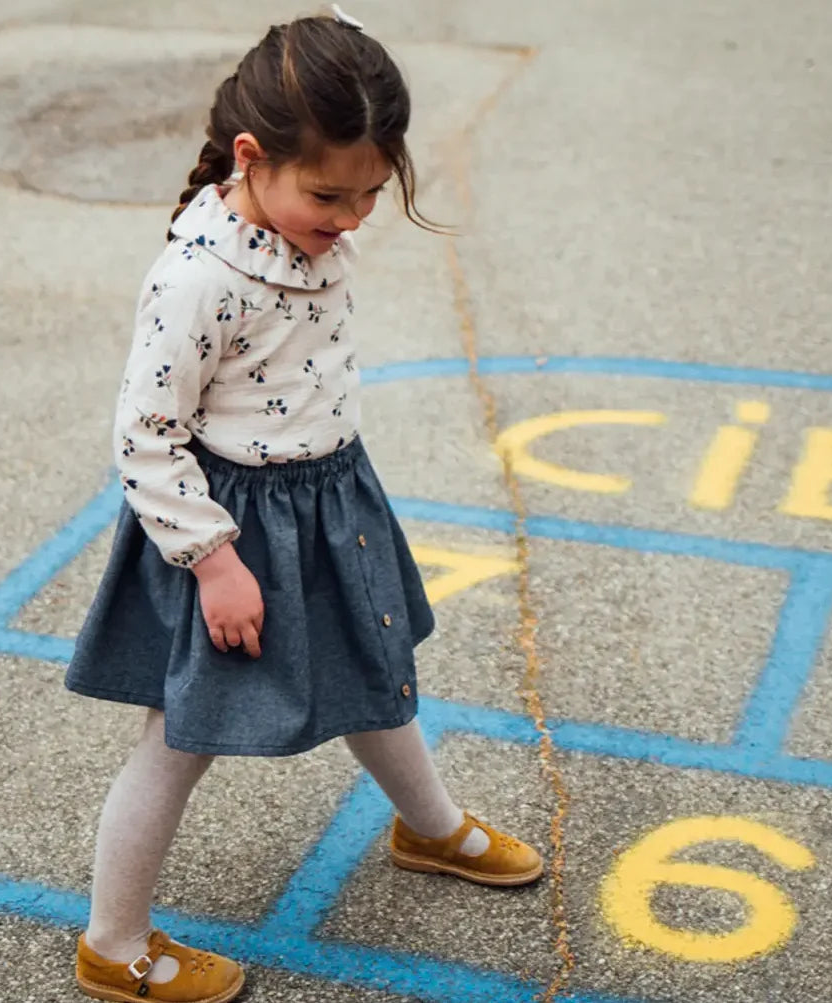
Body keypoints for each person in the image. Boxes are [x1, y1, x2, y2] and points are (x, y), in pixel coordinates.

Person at [65, 8, 543, 1002]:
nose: (356, 215)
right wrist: (215, 562)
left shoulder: (301, 218)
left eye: (373, 191)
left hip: (328, 500)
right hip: (235, 527)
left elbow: (341, 43)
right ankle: (113, 942)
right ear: (252, 156)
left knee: (375, 667)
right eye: (333, 193)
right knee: (182, 733)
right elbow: (143, 437)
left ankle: (431, 827)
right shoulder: (198, 277)